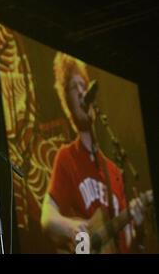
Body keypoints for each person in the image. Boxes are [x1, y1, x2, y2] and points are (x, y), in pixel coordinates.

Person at [40, 52, 144, 253]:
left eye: (83, 85)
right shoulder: (67, 157)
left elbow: (126, 246)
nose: (81, 92)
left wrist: (138, 230)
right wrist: (72, 227)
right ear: (68, 104)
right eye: (73, 87)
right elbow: (47, 217)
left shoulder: (114, 172)